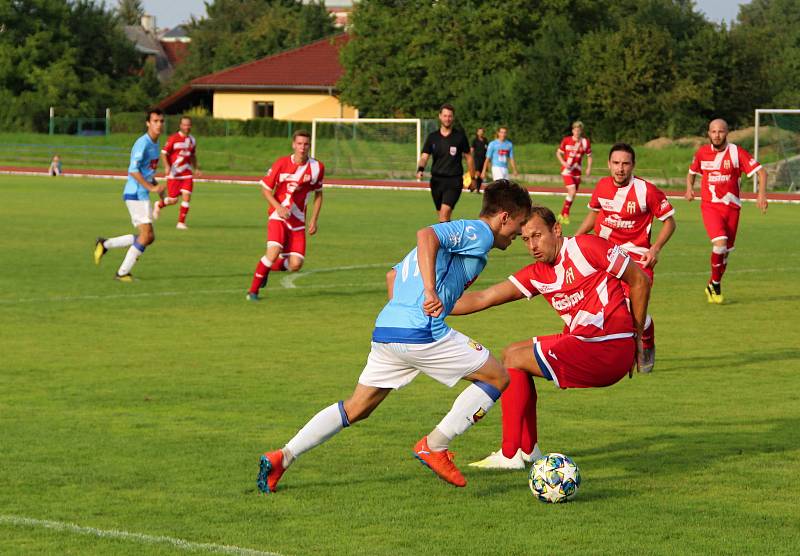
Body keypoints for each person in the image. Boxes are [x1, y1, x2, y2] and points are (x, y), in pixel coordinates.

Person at [256, 180, 532, 493]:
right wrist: (428, 293)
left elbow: (393, 276)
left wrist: (422, 304)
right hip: (420, 330)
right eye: (521, 224)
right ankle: (435, 445)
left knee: (357, 407)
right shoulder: (480, 232)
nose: (521, 233)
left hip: (388, 329)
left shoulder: (464, 246)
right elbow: (427, 234)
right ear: (504, 217)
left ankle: (284, 456)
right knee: (497, 377)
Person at [452, 205, 651, 470]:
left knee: (515, 358)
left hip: (607, 344)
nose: (532, 245)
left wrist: (638, 336)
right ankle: (528, 450)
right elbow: (483, 298)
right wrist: (432, 303)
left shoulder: (586, 247)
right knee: (512, 354)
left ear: (556, 229)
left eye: (537, 235)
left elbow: (639, 280)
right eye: (525, 239)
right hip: (586, 342)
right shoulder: (537, 273)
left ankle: (510, 454)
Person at [574, 143, 676, 373]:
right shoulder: (601, 186)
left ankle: (646, 336)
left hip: (637, 260)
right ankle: (595, 354)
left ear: (633, 165)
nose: (620, 169)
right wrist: (576, 238)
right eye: (616, 163)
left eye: (625, 163)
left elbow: (669, 221)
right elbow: (595, 213)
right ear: (609, 164)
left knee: (631, 312)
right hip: (605, 258)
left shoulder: (646, 191)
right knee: (597, 309)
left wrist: (656, 248)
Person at [686, 118, 768, 304]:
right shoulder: (702, 153)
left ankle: (712, 284)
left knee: (725, 252)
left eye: (721, 131)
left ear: (727, 132)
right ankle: (716, 285)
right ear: (708, 133)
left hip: (732, 209)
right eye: (713, 132)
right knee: (720, 244)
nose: (717, 135)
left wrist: (761, 195)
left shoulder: (736, 153)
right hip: (710, 206)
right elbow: (691, 173)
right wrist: (689, 188)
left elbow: (762, 172)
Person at [246, 129, 324, 301]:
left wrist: (314, 219)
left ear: (309, 146)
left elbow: (318, 194)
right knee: (272, 252)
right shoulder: (281, 164)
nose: (302, 147)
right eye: (299, 144)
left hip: (298, 221)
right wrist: (278, 207)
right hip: (277, 216)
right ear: (293, 145)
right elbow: (265, 189)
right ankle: (253, 292)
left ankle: (265, 269)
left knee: (296, 264)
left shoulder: (317, 167)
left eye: (305, 144)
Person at [93, 109, 165, 281]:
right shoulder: (143, 143)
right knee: (146, 236)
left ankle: (105, 244)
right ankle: (122, 273)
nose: (159, 124)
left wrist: (156, 187)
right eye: (155, 121)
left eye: (161, 121)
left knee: (148, 237)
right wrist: (151, 187)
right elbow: (133, 170)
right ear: (148, 123)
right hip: (135, 193)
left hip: (141, 193)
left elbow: (146, 172)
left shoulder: (155, 145)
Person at [416, 104, 476, 222]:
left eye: (450, 116)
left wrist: (472, 178)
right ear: (440, 116)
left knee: (445, 212)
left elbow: (469, 158)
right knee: (442, 216)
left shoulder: (459, 137)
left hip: (454, 181)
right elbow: (424, 156)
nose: (447, 118)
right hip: (436, 181)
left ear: (453, 118)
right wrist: (420, 169)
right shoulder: (432, 137)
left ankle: (443, 240)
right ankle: (447, 239)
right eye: (445, 116)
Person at [153, 116, 200, 229]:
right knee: (173, 200)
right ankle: (159, 204)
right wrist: (167, 166)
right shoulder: (173, 138)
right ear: (180, 126)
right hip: (174, 174)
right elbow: (164, 153)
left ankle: (181, 223)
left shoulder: (192, 140)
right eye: (184, 125)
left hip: (187, 173)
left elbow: (192, 155)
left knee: (187, 196)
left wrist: (196, 168)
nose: (187, 127)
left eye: (188, 125)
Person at [556, 121, 592, 225]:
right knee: (571, 191)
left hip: (577, 172)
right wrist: (563, 162)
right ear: (572, 130)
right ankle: (566, 215)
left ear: (581, 131)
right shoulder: (566, 140)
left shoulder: (585, 142)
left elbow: (589, 156)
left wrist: (588, 168)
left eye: (579, 130)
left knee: (573, 194)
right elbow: (558, 152)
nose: (577, 132)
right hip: (567, 171)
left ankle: (562, 214)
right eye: (575, 130)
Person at [470, 127, 488, 193]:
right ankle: (473, 186)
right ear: (477, 133)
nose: (481, 133)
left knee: (481, 175)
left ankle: (477, 189)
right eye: (479, 131)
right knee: (477, 173)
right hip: (476, 159)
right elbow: (472, 150)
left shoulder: (485, 140)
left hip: (483, 160)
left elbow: (487, 150)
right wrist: (471, 159)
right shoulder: (475, 140)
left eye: (482, 131)